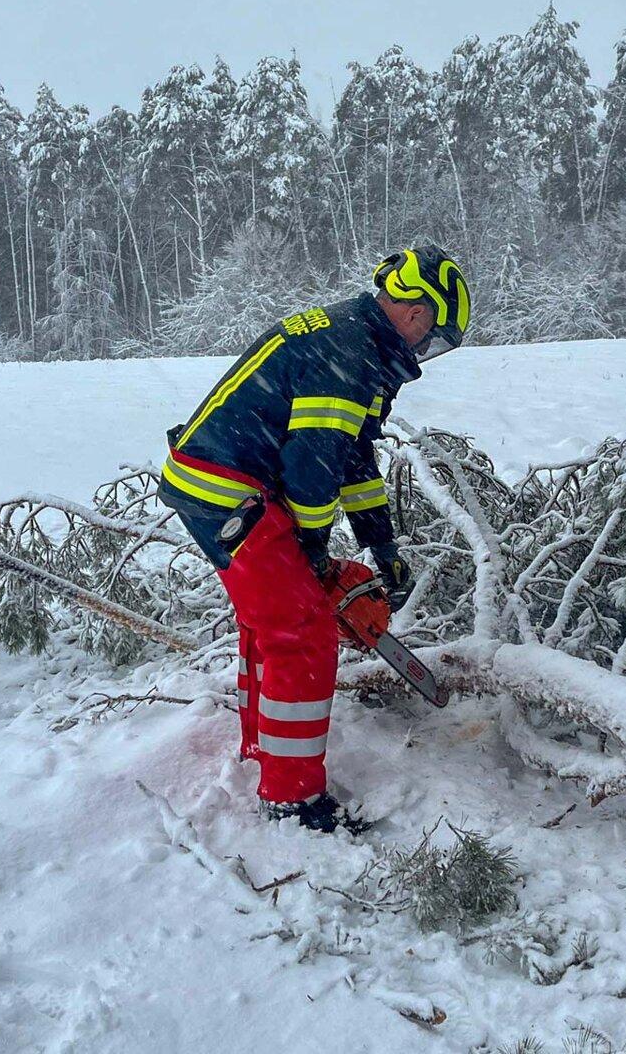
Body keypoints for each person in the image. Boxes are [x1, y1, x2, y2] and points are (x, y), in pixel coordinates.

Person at [156, 247, 470, 832]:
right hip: (229, 490)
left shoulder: (355, 339)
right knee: (303, 632)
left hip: (216, 479)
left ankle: (264, 748)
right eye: (435, 336)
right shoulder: (349, 352)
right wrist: (315, 553)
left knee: (269, 623)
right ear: (417, 313)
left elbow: (352, 456)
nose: (428, 348)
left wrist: (382, 547)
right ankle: (293, 800)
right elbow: (312, 465)